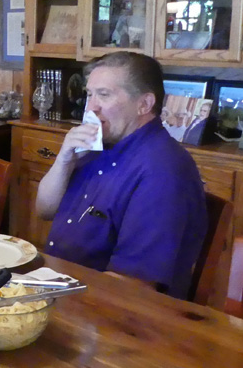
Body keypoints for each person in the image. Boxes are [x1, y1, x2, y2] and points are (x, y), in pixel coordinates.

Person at [36, 52, 207, 298]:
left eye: (104, 95)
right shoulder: (99, 146)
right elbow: (44, 210)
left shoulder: (162, 170)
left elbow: (132, 286)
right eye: (89, 94)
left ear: (144, 104)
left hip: (109, 309)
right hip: (60, 282)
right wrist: (64, 160)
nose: (90, 107)